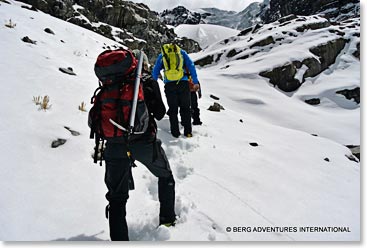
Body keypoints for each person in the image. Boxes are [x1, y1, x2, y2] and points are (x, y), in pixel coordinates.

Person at [102, 52, 176, 241]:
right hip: (143, 142)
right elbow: (160, 113)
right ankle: (167, 220)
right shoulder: (147, 82)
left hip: (114, 143)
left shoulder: (110, 81)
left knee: (116, 198)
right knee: (165, 175)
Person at [152, 43, 200, 138]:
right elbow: (191, 65)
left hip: (169, 85)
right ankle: (188, 132)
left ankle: (175, 133)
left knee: (173, 110)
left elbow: (156, 69)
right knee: (186, 108)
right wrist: (195, 81)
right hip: (183, 83)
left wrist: (153, 82)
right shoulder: (181, 53)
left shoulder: (163, 55)